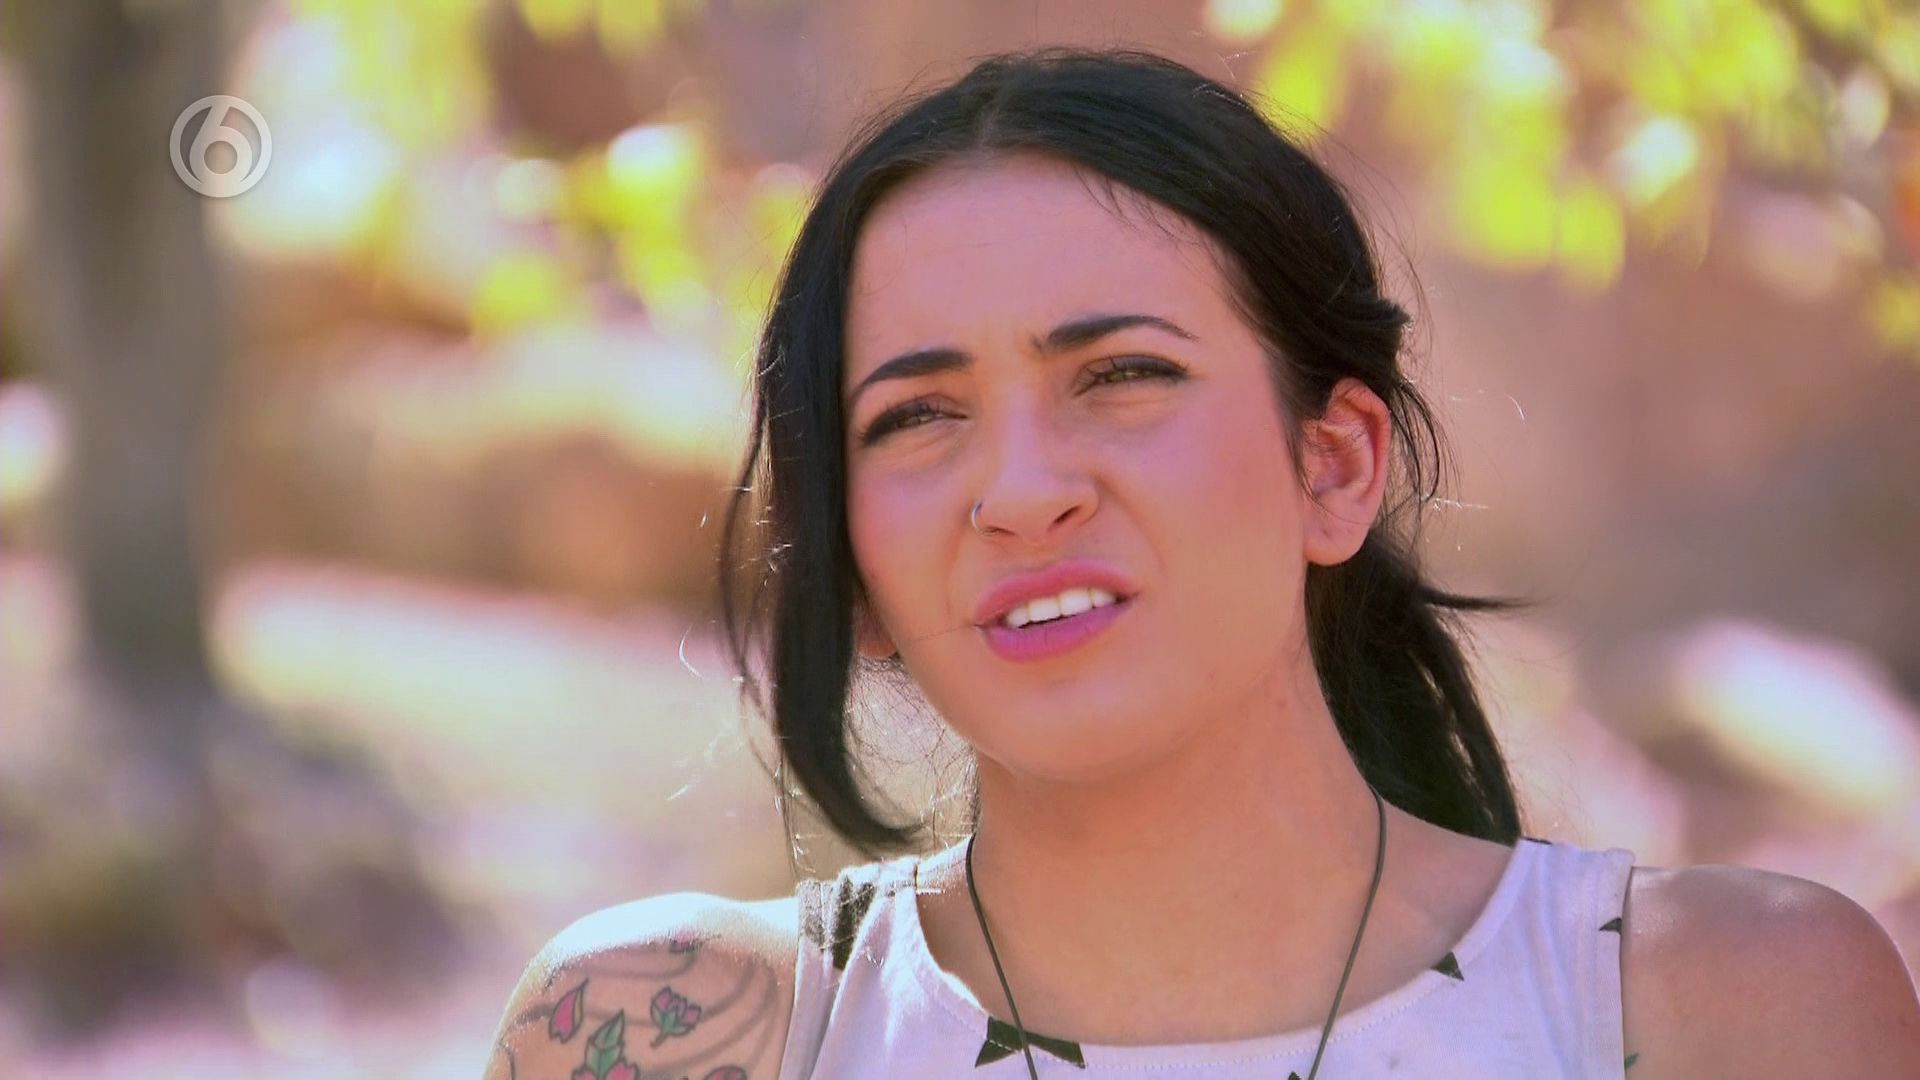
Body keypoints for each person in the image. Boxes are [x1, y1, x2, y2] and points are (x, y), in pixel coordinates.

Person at [486, 47, 1920, 1080]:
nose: (1022, 493)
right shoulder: (666, 1033)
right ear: (851, 569)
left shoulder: (1727, 1011)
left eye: (1122, 375)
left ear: (1335, 466)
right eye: (917, 416)